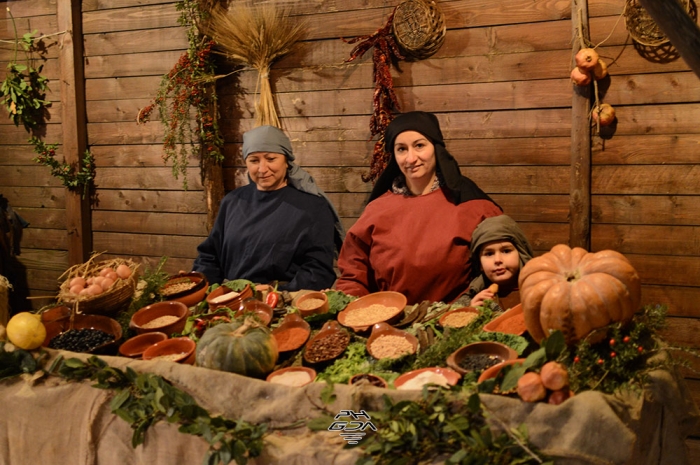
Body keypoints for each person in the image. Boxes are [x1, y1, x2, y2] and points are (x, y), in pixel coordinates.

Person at [335, 111, 503, 304]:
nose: (410, 158)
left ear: (436, 148)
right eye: (401, 149)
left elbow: (503, 265)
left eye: (419, 146)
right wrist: (358, 310)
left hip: (456, 320)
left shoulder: (474, 206)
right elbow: (353, 272)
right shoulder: (377, 209)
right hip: (389, 321)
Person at [192, 125, 344, 291]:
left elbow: (318, 270)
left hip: (285, 306)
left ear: (286, 161)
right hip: (232, 302)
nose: (262, 169)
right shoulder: (232, 202)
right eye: (254, 160)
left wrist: (277, 297)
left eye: (271, 159)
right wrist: (202, 288)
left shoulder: (313, 207)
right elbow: (209, 255)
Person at [452, 215, 533, 310]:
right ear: (480, 264)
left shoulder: (540, 288)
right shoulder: (473, 298)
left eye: (506, 251)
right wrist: (470, 313)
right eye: (489, 254)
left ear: (521, 253)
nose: (497, 260)